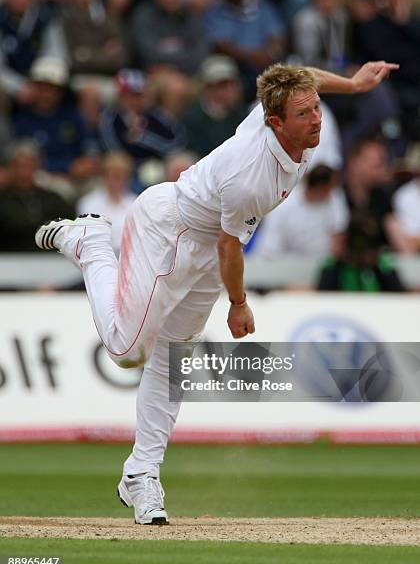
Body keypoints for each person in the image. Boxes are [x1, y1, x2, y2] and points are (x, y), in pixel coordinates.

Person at [35, 59, 398, 525]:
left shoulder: (286, 116)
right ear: (275, 122)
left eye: (317, 108)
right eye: (305, 114)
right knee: (126, 352)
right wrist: (239, 304)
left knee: (172, 361)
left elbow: (303, 75)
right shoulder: (253, 175)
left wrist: (351, 84)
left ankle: (142, 473)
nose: (317, 120)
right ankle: (90, 245)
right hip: (172, 230)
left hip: (209, 241)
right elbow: (230, 248)